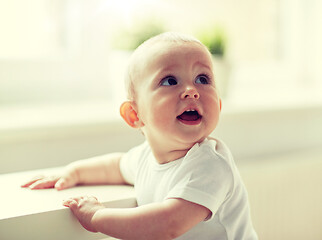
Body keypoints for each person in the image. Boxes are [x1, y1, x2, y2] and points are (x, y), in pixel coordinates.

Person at [22, 32, 258, 240]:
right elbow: (114, 166)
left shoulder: (210, 165)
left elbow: (168, 224)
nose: (191, 91)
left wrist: (97, 217)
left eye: (203, 79)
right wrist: (73, 173)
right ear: (135, 115)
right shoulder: (147, 157)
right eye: (170, 81)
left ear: (218, 103)